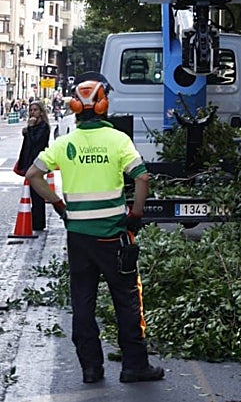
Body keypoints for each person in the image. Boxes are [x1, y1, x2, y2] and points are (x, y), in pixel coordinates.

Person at [26, 79, 164, 385]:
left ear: (75, 108)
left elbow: (33, 175)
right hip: (113, 237)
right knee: (127, 299)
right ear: (104, 106)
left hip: (79, 239)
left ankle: (91, 368)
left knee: (83, 302)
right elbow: (142, 178)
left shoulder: (65, 144)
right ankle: (134, 366)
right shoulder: (118, 140)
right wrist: (136, 214)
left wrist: (59, 204)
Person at [15, 99, 51, 231]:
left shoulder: (43, 127)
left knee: (37, 193)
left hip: (38, 162)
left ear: (41, 112)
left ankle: (38, 222)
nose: (32, 112)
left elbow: (36, 143)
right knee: (33, 192)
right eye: (31, 110)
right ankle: (35, 220)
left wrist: (29, 129)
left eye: (35, 110)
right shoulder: (32, 127)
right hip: (30, 162)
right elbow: (27, 146)